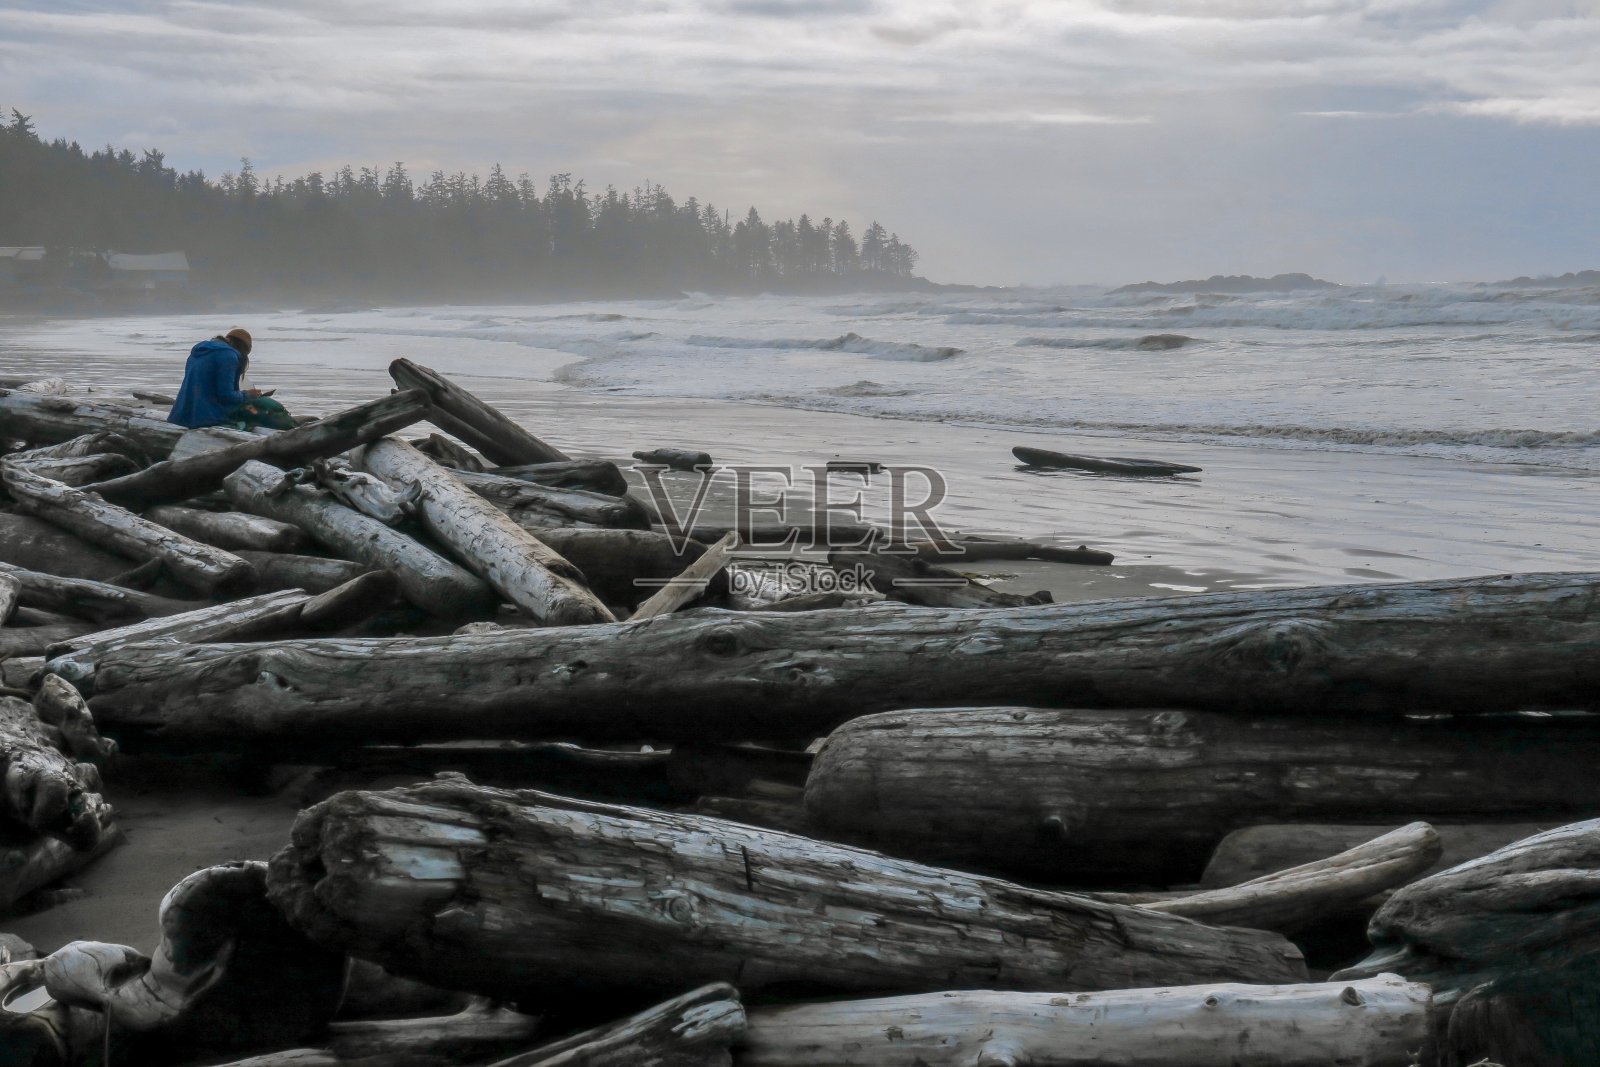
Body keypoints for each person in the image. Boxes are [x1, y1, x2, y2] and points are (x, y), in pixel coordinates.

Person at [167, 327, 293, 429]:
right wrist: (247, 395)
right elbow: (226, 396)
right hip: (206, 418)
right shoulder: (228, 356)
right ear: (242, 348)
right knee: (258, 412)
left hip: (181, 416)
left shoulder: (200, 351)